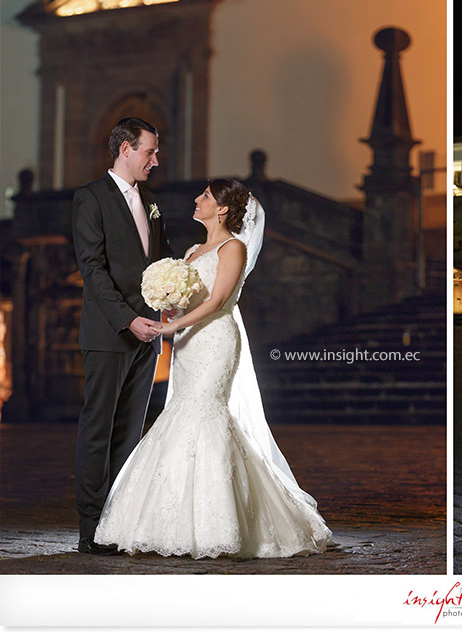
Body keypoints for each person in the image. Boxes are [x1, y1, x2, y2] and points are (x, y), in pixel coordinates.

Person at [94, 179, 332, 558]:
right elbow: (190, 299)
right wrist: (170, 307)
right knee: (179, 416)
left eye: (205, 196)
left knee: (206, 416)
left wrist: (172, 325)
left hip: (215, 341)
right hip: (188, 343)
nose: (196, 199)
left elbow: (219, 300)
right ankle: (169, 523)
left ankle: (220, 523)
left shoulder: (232, 247)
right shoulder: (192, 250)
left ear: (222, 209)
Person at [72, 117, 172, 555]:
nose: (156, 160)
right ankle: (92, 528)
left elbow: (159, 260)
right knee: (99, 429)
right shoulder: (90, 198)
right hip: (110, 333)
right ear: (126, 149)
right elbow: (92, 270)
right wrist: (128, 319)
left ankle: (120, 522)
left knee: (130, 433)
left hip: (147, 335)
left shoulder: (151, 200)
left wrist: (168, 301)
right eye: (149, 151)